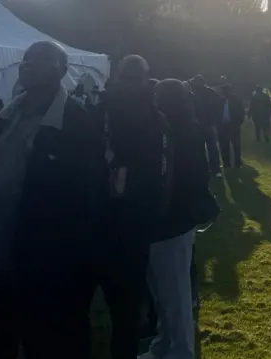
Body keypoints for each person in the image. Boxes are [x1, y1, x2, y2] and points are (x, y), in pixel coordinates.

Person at [0, 41, 103, 359]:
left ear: (61, 71)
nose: (27, 64)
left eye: (39, 59)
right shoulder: (6, 117)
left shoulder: (76, 122)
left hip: (46, 263)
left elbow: (89, 196)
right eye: (26, 59)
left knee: (49, 341)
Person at [100, 54, 173, 359]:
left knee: (126, 312)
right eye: (126, 78)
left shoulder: (156, 121)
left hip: (131, 223)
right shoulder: (100, 112)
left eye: (136, 78)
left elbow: (163, 173)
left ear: (147, 82)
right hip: (98, 220)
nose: (130, 85)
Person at [138, 79, 211, 359]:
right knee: (160, 292)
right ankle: (164, 344)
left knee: (175, 294)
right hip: (159, 221)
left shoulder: (185, 132)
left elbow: (192, 179)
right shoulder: (166, 128)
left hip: (174, 221)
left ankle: (181, 350)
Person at [190, 75, 223, 178]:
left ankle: (215, 169)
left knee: (210, 148)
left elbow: (218, 107)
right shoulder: (194, 94)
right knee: (201, 149)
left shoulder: (208, 93)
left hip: (207, 125)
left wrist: (214, 121)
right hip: (200, 125)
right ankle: (208, 169)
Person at [217, 84, 244, 169]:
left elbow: (241, 112)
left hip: (233, 125)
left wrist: (238, 123)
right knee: (224, 145)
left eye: (226, 90)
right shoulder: (219, 100)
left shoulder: (236, 99)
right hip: (222, 126)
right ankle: (226, 163)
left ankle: (237, 163)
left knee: (236, 145)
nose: (225, 92)